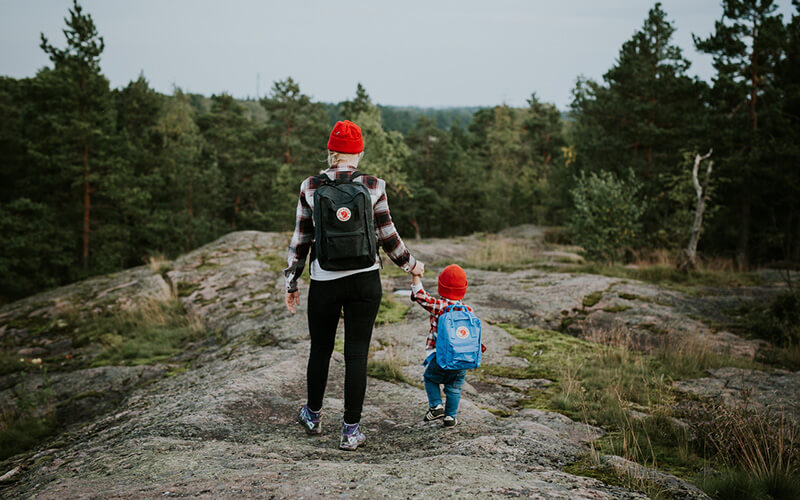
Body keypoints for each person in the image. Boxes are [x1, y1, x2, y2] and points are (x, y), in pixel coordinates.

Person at [284, 120, 424, 451]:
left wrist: (291, 281)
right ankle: (350, 431)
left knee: (321, 349)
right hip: (365, 280)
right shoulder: (374, 185)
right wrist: (412, 266)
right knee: (356, 354)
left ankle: (313, 416)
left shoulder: (310, 186)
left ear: (331, 153)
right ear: (358, 153)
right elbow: (388, 237)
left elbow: (301, 238)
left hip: (324, 282)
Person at [411, 264, 478, 428]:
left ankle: (436, 406)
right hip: (462, 358)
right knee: (454, 387)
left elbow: (419, 295)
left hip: (440, 356)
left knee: (430, 378)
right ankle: (450, 417)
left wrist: (416, 275)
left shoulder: (440, 306)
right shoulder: (468, 310)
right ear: (464, 288)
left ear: (441, 287)